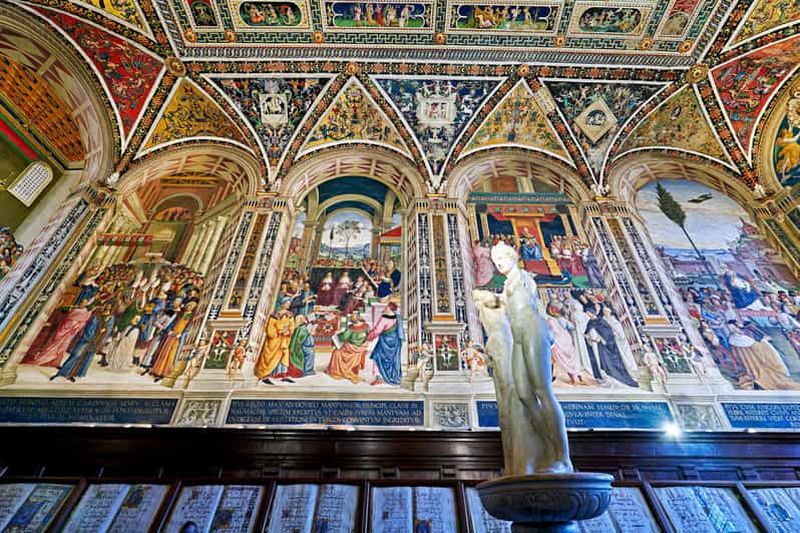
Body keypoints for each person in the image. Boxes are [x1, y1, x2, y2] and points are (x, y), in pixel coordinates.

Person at [368, 302, 404, 385]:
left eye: (387, 307)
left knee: (377, 356)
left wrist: (369, 336)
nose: (385, 308)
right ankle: (392, 376)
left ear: (390, 308)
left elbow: (377, 330)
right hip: (395, 342)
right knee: (393, 360)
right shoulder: (397, 317)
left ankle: (379, 378)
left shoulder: (384, 318)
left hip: (385, 342)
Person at [326, 313, 370, 383]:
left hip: (351, 348)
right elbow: (369, 335)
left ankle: (338, 369)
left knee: (336, 352)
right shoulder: (366, 326)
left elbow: (343, 338)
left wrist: (338, 333)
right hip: (361, 347)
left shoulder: (351, 329)